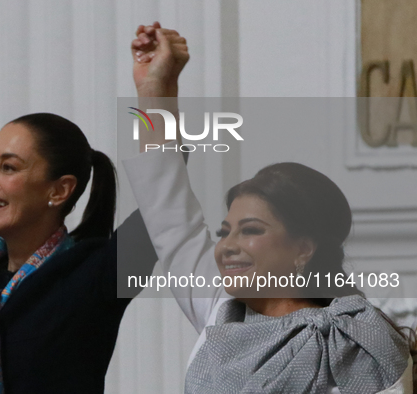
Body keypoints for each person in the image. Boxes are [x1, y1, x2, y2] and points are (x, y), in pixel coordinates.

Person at [124, 23, 416, 393]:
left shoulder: (356, 339)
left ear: (304, 248)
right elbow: (164, 205)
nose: (228, 246)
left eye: (250, 230)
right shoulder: (221, 310)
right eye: (224, 231)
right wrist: (155, 89)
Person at [0, 111, 159, 392]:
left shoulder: (95, 274)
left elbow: (162, 204)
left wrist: (155, 88)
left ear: (60, 190)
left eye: (8, 168)